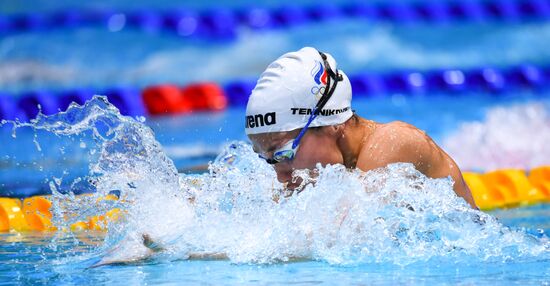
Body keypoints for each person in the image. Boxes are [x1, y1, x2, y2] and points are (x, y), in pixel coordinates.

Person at [245, 47, 478, 209]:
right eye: (270, 160)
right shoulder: (324, 174)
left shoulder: (395, 142)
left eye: (285, 153)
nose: (281, 176)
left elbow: (339, 236)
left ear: (331, 125)